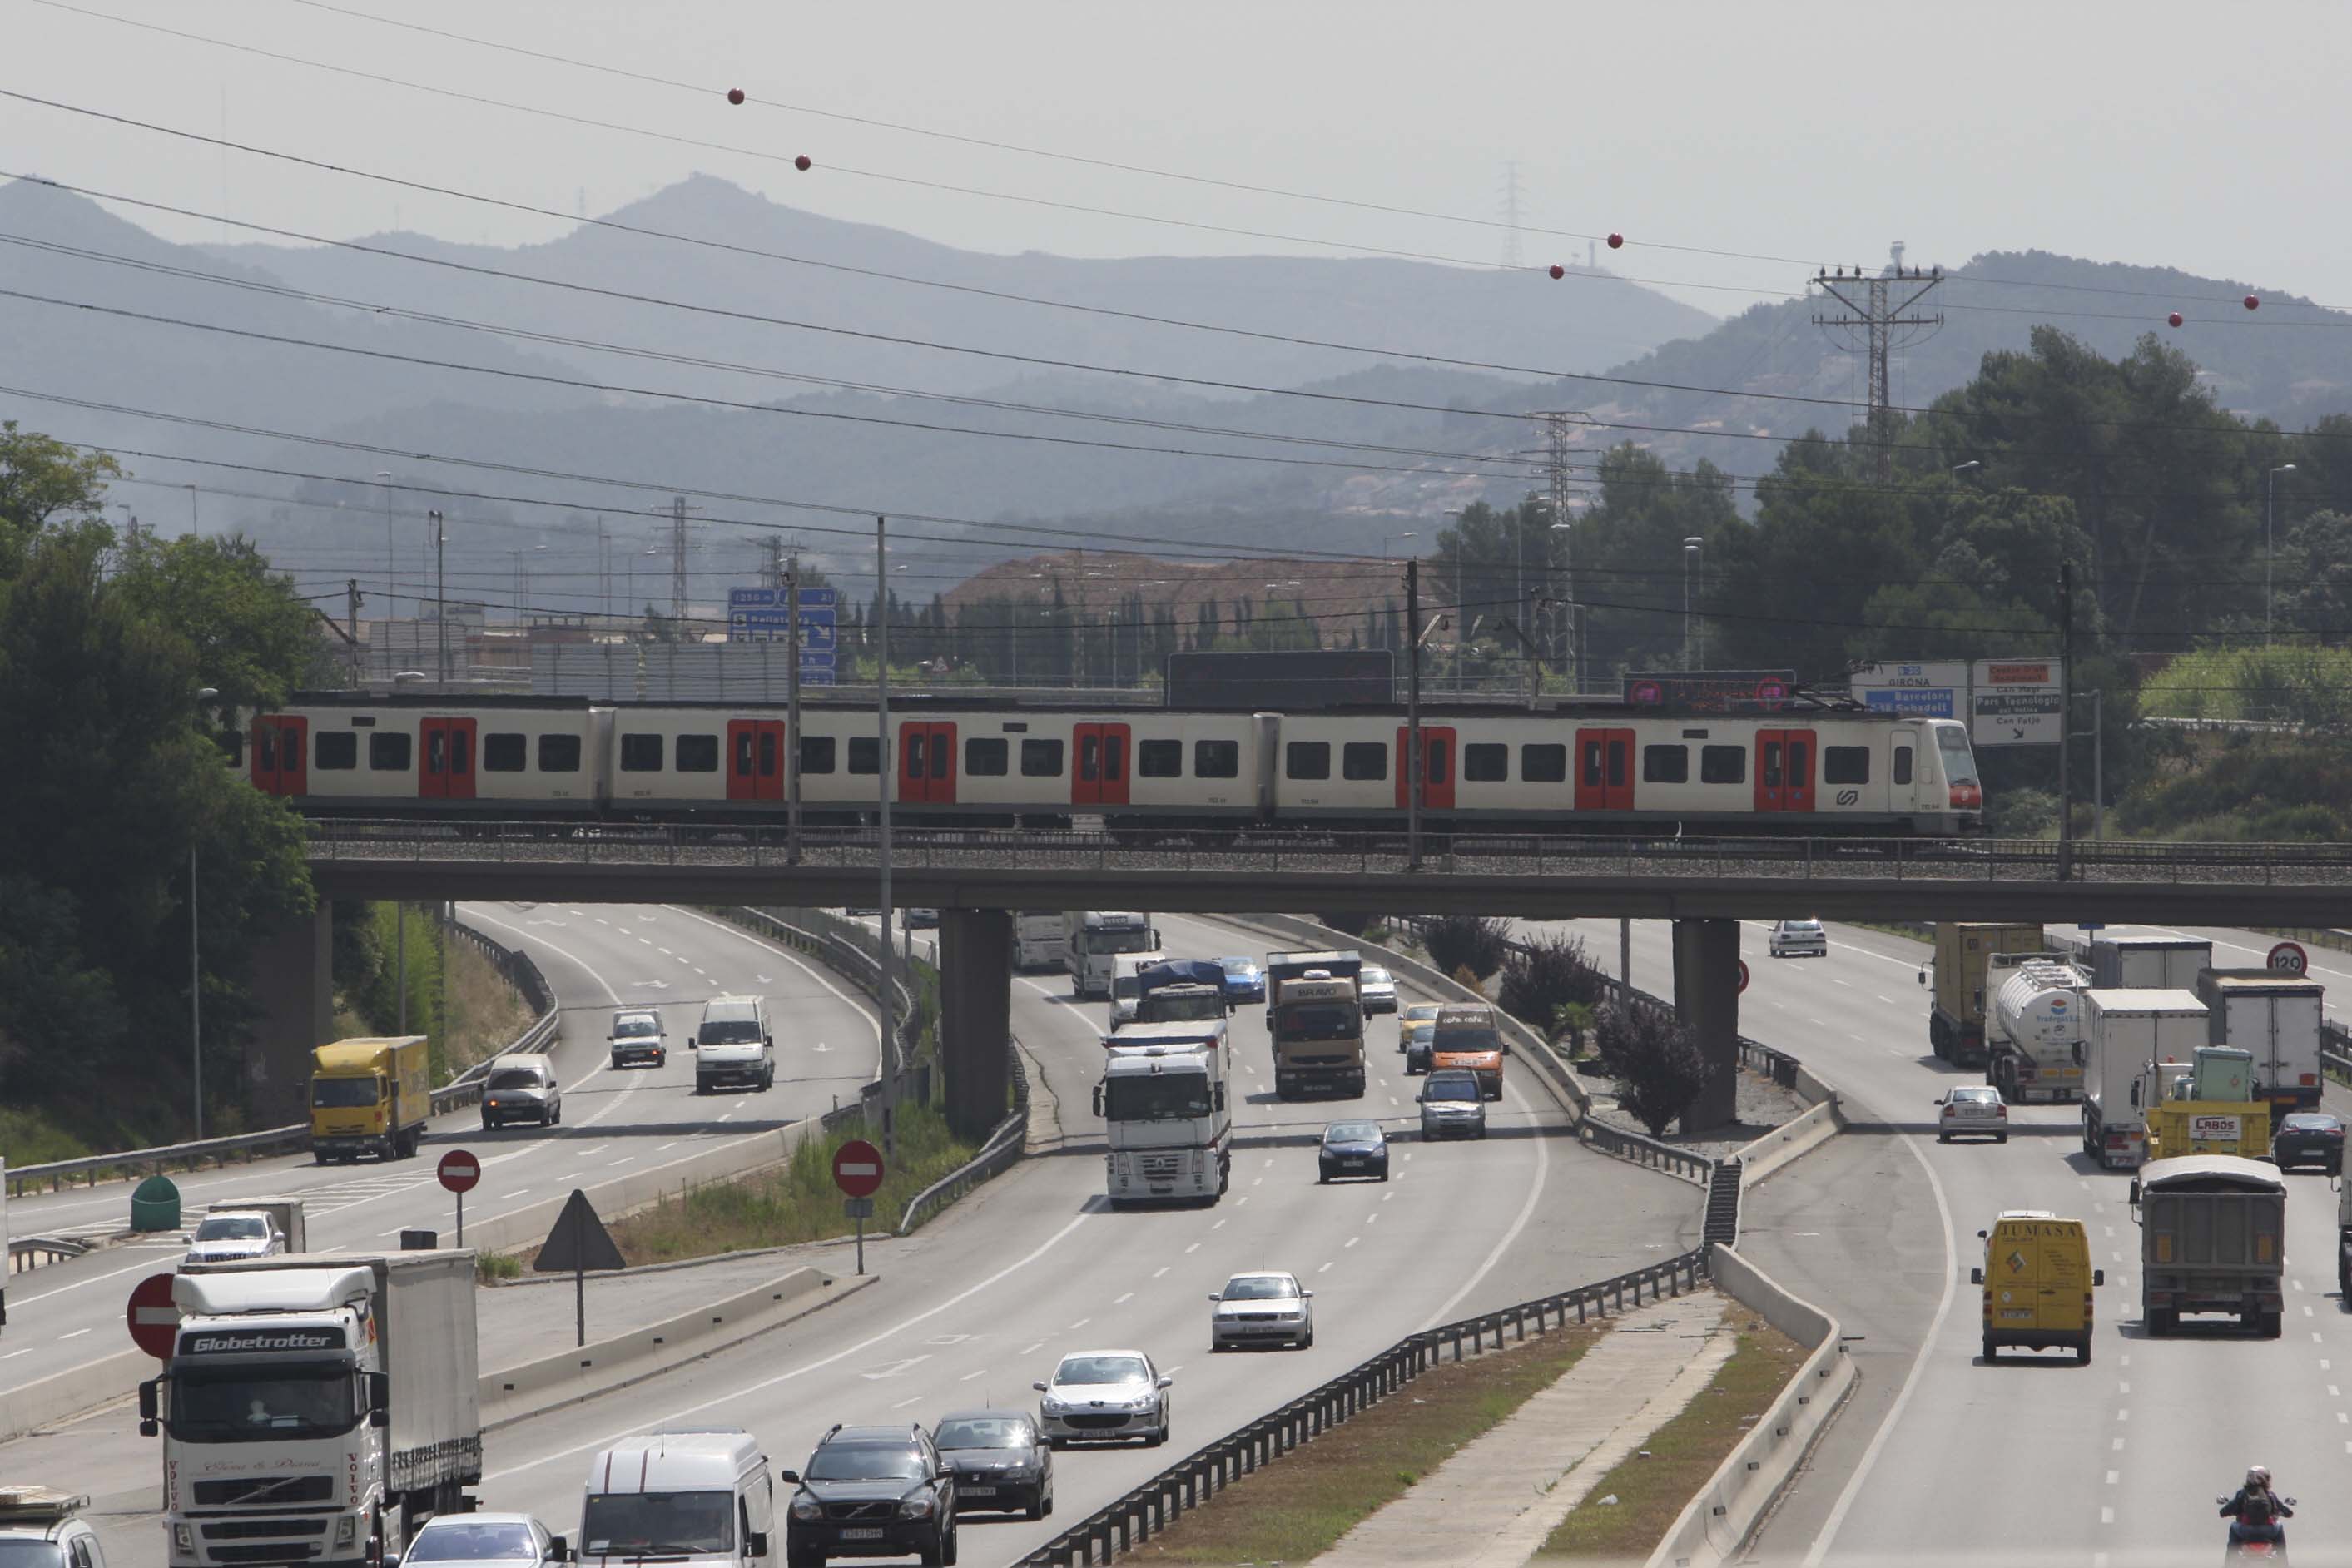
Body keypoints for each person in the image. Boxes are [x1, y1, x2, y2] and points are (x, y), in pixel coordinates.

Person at [2220, 1466, 2291, 1551]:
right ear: (2265, 1479)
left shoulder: (2242, 1494)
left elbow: (2224, 1511)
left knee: (2233, 1526)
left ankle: (2230, 1561)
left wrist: (2225, 1511)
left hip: (2246, 1531)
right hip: (2268, 1531)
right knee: (2279, 1526)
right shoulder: (2270, 1495)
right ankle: (2282, 1561)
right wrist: (2288, 1512)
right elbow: (2286, 1512)